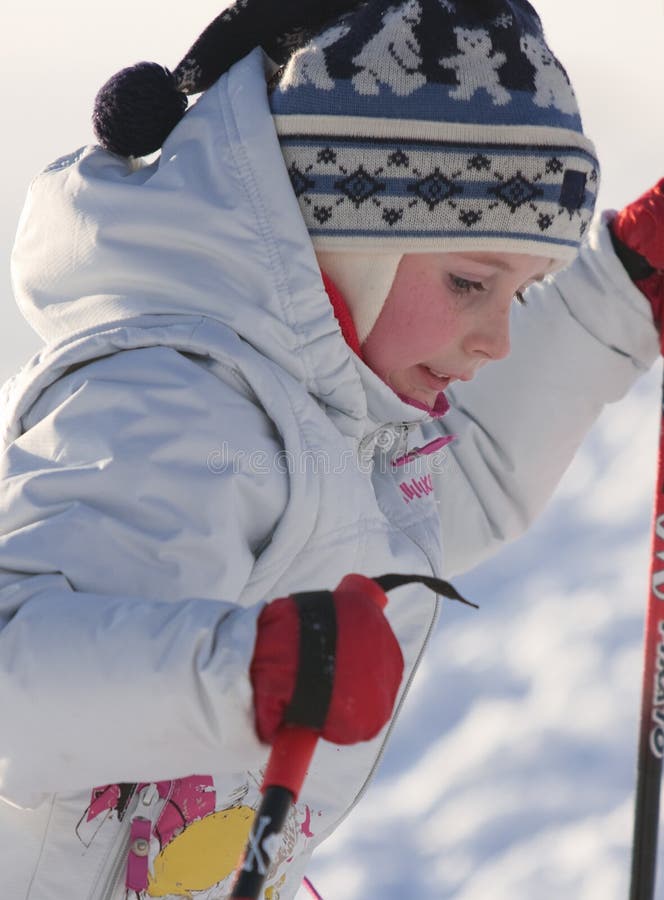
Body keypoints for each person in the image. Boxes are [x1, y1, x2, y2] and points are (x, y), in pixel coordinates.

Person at [0, 0, 662, 898]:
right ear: (343, 234)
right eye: (472, 283)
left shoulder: (323, 407)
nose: (498, 339)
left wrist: (615, 295)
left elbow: (456, 481)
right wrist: (250, 673)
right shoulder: (166, 402)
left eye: (525, 289)